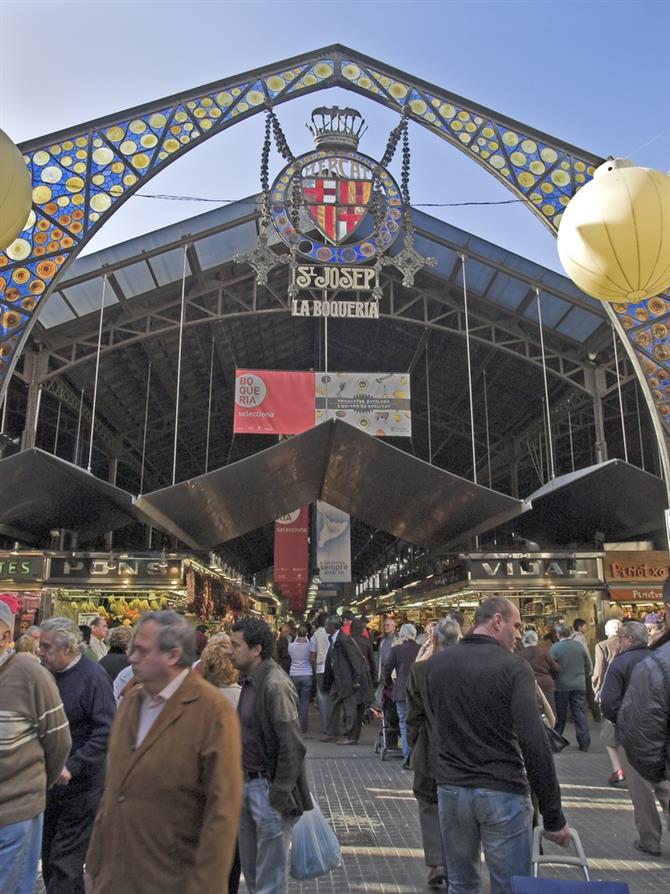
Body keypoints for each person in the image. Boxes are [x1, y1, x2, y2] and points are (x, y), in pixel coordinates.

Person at [85, 611, 242, 894]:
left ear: (172, 656)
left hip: (172, 879)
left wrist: (207, 885)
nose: (131, 657)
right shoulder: (130, 702)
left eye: (142, 651)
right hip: (117, 876)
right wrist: (95, 862)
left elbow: (222, 812)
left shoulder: (212, 712)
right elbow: (113, 792)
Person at [429, 596, 570, 894]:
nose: (519, 634)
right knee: (509, 887)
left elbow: (436, 726)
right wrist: (553, 815)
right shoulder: (514, 668)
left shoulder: (437, 664)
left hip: (452, 791)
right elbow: (534, 741)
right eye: (516, 625)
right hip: (502, 791)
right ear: (497, 621)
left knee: (461, 884)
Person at [230, 617, 312, 894]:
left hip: (266, 791)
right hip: (248, 786)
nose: (231, 651)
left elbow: (293, 745)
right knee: (255, 877)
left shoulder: (275, 685)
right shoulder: (250, 682)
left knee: (269, 883)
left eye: (236, 645)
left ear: (256, 649)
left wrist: (278, 796)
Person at [38, 617, 115, 894]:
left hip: (81, 788)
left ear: (67, 648)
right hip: (48, 787)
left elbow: (106, 731)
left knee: (65, 862)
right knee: (49, 858)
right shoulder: (45, 676)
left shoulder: (93, 678)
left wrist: (72, 766)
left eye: (46, 648)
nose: (40, 652)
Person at [0, 601, 71, 894]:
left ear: (6, 638)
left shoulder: (29, 674)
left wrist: (38, 784)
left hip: (16, 810)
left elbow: (58, 741)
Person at [600, 621, 665, 857]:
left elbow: (608, 702)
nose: (618, 642)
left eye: (620, 638)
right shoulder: (659, 659)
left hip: (633, 734)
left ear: (628, 639)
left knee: (641, 791)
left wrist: (622, 721)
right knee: (665, 786)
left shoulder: (620, 663)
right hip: (662, 730)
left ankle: (650, 839)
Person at [406, 617, 461, 888]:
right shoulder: (472, 668)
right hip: (465, 750)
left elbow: (413, 716)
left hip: (430, 749)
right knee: (461, 806)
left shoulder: (420, 670)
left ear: (435, 639)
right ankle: (459, 862)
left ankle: (437, 863)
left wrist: (413, 744)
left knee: (428, 803)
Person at [618, 580, 670, 842]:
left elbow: (644, 726)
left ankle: (650, 838)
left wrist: (657, 773)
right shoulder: (652, 661)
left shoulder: (656, 664)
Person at [323, 613, 371, 745]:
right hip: (338, 679)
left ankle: (351, 736)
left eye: (326, 625)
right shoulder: (335, 639)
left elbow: (354, 660)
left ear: (333, 626)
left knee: (351, 709)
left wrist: (356, 680)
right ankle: (332, 732)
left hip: (347, 680)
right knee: (332, 704)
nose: (324, 627)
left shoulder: (343, 640)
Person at [550, 623, 592, 751]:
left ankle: (556, 742)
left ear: (558, 635)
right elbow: (588, 665)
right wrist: (582, 676)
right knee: (580, 714)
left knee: (560, 716)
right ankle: (584, 742)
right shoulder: (579, 646)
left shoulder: (555, 648)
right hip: (579, 685)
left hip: (561, 686)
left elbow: (551, 666)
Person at [593, 619, 625, 785]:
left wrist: (596, 691)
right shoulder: (626, 643)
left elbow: (598, 672)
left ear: (607, 631)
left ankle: (618, 769)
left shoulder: (602, 646)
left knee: (608, 733)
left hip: (609, 692)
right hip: (628, 692)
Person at [384, 623, 420, 768]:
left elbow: (387, 669)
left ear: (402, 635)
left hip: (400, 691)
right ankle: (417, 757)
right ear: (414, 635)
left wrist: (388, 684)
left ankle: (407, 758)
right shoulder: (421, 649)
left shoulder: (396, 650)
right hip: (417, 692)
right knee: (417, 723)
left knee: (404, 723)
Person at [519, 629, 560, 708]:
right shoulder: (543, 652)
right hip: (546, 685)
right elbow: (555, 668)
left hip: (528, 686)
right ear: (536, 639)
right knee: (550, 711)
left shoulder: (519, 655)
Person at [288, 624, 314, 735]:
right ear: (307, 634)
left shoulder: (291, 646)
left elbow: (291, 657)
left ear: (297, 633)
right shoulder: (309, 646)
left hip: (294, 674)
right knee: (304, 703)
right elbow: (311, 657)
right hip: (307, 674)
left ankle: (294, 726)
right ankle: (303, 728)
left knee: (294, 702)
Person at [309, 613, 331, 735]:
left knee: (322, 698)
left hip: (320, 669)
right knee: (333, 697)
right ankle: (333, 725)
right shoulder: (333, 633)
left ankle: (325, 727)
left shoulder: (314, 636)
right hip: (332, 670)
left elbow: (312, 656)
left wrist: (314, 667)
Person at [350, 617, 375, 682]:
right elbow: (371, 659)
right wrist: (374, 675)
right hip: (364, 671)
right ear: (362, 629)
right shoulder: (366, 641)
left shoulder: (346, 640)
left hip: (350, 671)